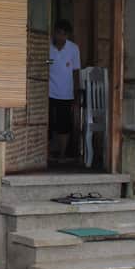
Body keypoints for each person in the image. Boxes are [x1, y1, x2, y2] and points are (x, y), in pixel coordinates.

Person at [48, 19, 81, 163]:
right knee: (48, 123)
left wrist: (76, 94)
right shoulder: (47, 47)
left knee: (64, 125)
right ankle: (45, 154)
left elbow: (75, 72)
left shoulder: (73, 49)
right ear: (54, 33)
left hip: (66, 93)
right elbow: (44, 66)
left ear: (68, 36)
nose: (61, 37)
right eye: (58, 33)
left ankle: (61, 155)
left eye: (64, 34)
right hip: (48, 92)